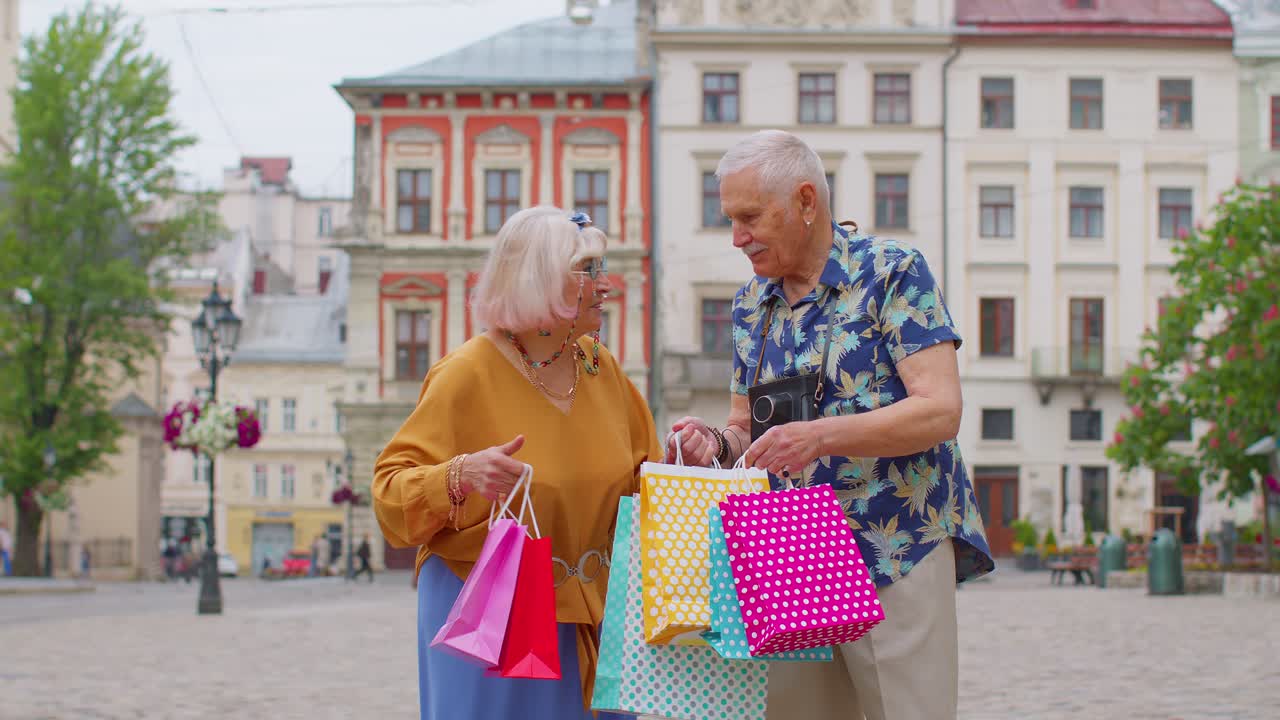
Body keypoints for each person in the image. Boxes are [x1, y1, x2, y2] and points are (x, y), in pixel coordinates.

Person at [666, 130, 995, 720]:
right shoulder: (749, 304)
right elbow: (747, 425)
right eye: (730, 220)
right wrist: (714, 442)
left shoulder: (893, 272)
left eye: (749, 218)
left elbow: (940, 409)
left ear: (806, 201)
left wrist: (819, 436)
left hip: (893, 543)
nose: (737, 238)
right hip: (788, 555)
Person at [373, 206, 659, 720]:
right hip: (491, 617)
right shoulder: (466, 373)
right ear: (541, 278)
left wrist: (696, 454)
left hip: (596, 614)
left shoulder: (600, 367)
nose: (605, 284)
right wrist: (459, 474)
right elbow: (391, 496)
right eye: (588, 270)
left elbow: (643, 479)